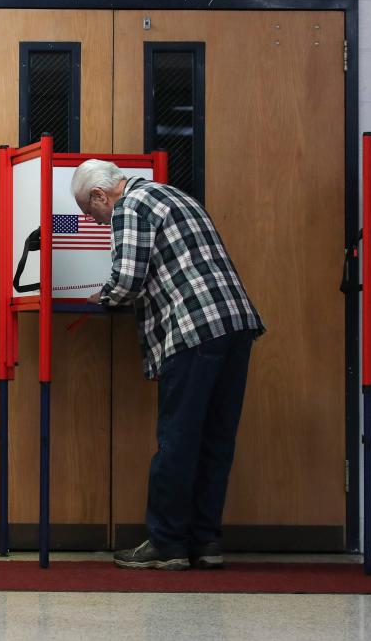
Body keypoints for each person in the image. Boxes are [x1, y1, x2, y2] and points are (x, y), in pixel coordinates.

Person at [72, 159, 265, 571]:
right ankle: (206, 542)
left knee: (178, 439)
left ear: (100, 195)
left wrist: (102, 297)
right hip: (235, 325)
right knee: (216, 440)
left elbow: (127, 280)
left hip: (194, 330)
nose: (97, 221)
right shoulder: (173, 194)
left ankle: (167, 543)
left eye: (92, 214)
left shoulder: (130, 205)